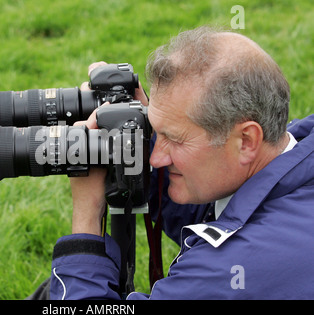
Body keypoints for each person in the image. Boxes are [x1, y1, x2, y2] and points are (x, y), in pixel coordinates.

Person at [46, 26, 314, 299]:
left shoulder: (234, 267)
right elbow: (224, 210)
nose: (155, 157)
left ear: (246, 140)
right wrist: (135, 135)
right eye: (155, 129)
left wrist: (86, 215)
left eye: (174, 139)